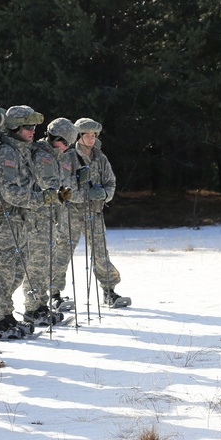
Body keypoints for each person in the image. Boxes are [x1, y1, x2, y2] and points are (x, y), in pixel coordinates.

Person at [0, 105, 50, 339]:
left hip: (19, 219)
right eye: (28, 127)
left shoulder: (23, 150)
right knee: (2, 272)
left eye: (34, 127)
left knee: (16, 272)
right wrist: (40, 198)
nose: (33, 131)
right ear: (15, 128)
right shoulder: (7, 153)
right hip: (4, 220)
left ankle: (6, 315)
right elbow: (10, 192)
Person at [71, 117, 130, 308]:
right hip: (70, 213)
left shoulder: (100, 157)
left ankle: (109, 291)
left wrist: (105, 194)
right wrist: (86, 194)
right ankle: (53, 294)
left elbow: (111, 181)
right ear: (79, 136)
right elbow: (63, 188)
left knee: (100, 253)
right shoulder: (69, 156)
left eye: (94, 135)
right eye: (87, 135)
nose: (91, 138)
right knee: (61, 253)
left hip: (94, 212)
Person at [23, 118, 76, 326]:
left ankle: (40, 304)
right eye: (66, 144)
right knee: (37, 263)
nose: (66, 148)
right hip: (38, 217)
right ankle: (33, 307)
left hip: (46, 217)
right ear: (58, 139)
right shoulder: (43, 155)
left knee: (44, 263)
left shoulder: (50, 155)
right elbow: (48, 184)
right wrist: (61, 191)